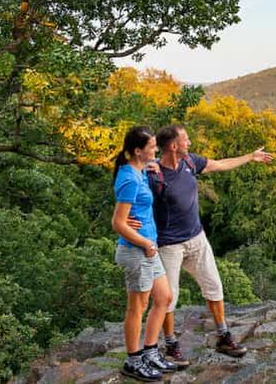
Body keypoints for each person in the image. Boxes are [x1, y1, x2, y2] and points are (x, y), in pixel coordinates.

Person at [128, 124, 274, 365]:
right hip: (168, 246)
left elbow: (218, 164)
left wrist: (251, 157)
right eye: (186, 140)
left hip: (197, 239)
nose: (190, 143)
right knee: (167, 299)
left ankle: (223, 336)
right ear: (173, 146)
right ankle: (171, 345)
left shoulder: (190, 163)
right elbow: (132, 194)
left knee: (214, 287)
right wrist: (129, 220)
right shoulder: (152, 174)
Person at [111, 126, 178, 381]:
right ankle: (133, 360)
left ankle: (150, 351)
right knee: (137, 307)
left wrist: (153, 169)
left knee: (164, 297)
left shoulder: (138, 171)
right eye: (151, 147)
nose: (156, 150)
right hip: (137, 251)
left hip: (148, 248)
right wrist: (144, 241)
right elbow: (117, 222)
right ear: (138, 151)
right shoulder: (129, 177)